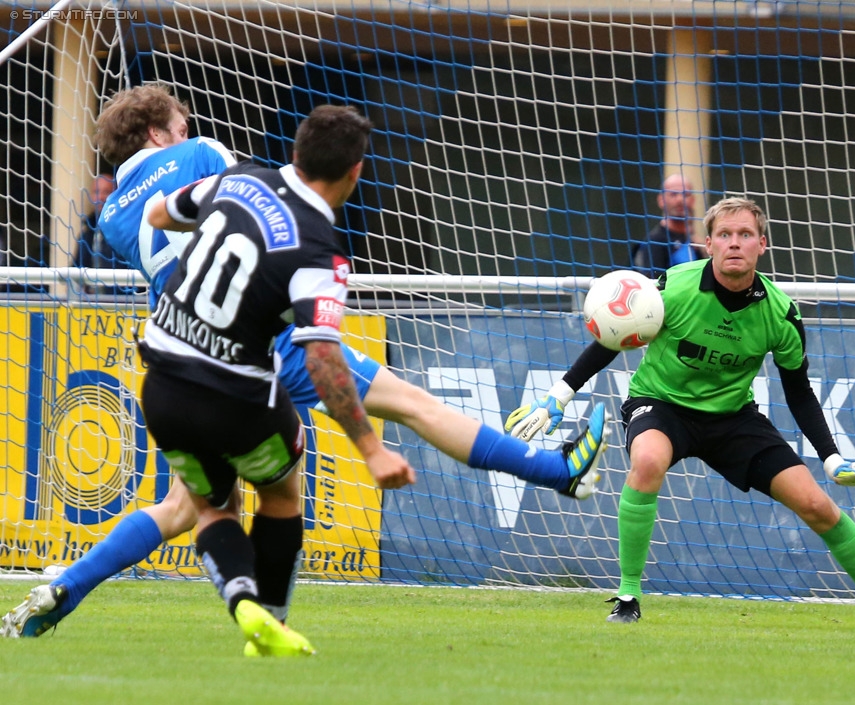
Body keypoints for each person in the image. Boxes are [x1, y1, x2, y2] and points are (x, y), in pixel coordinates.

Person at [1, 92, 607, 648]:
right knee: (414, 409)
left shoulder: (110, 216)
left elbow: (187, 218)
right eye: (180, 121)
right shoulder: (204, 155)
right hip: (269, 338)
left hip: (180, 347)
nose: (190, 127)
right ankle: (559, 471)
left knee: (189, 506)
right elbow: (264, 210)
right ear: (161, 134)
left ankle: (70, 584)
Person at [507, 196, 855, 632]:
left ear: (763, 244)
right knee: (647, 461)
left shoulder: (780, 313)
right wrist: (558, 397)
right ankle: (628, 596)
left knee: (817, 504)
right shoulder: (673, 287)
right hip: (661, 405)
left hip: (733, 417)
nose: (734, 243)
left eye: (745, 234)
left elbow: (798, 391)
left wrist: (832, 459)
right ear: (709, 244)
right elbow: (611, 338)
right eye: (724, 234)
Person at [630, 174, 702, 279]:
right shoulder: (655, 242)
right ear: (661, 200)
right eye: (673, 194)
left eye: (685, 194)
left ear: (693, 200)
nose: (680, 200)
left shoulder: (696, 243)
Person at [72, 172, 132, 296]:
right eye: (96, 192)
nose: (100, 197)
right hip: (92, 305)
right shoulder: (87, 233)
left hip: (123, 302)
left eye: (106, 192)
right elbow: (76, 269)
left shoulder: (128, 230)